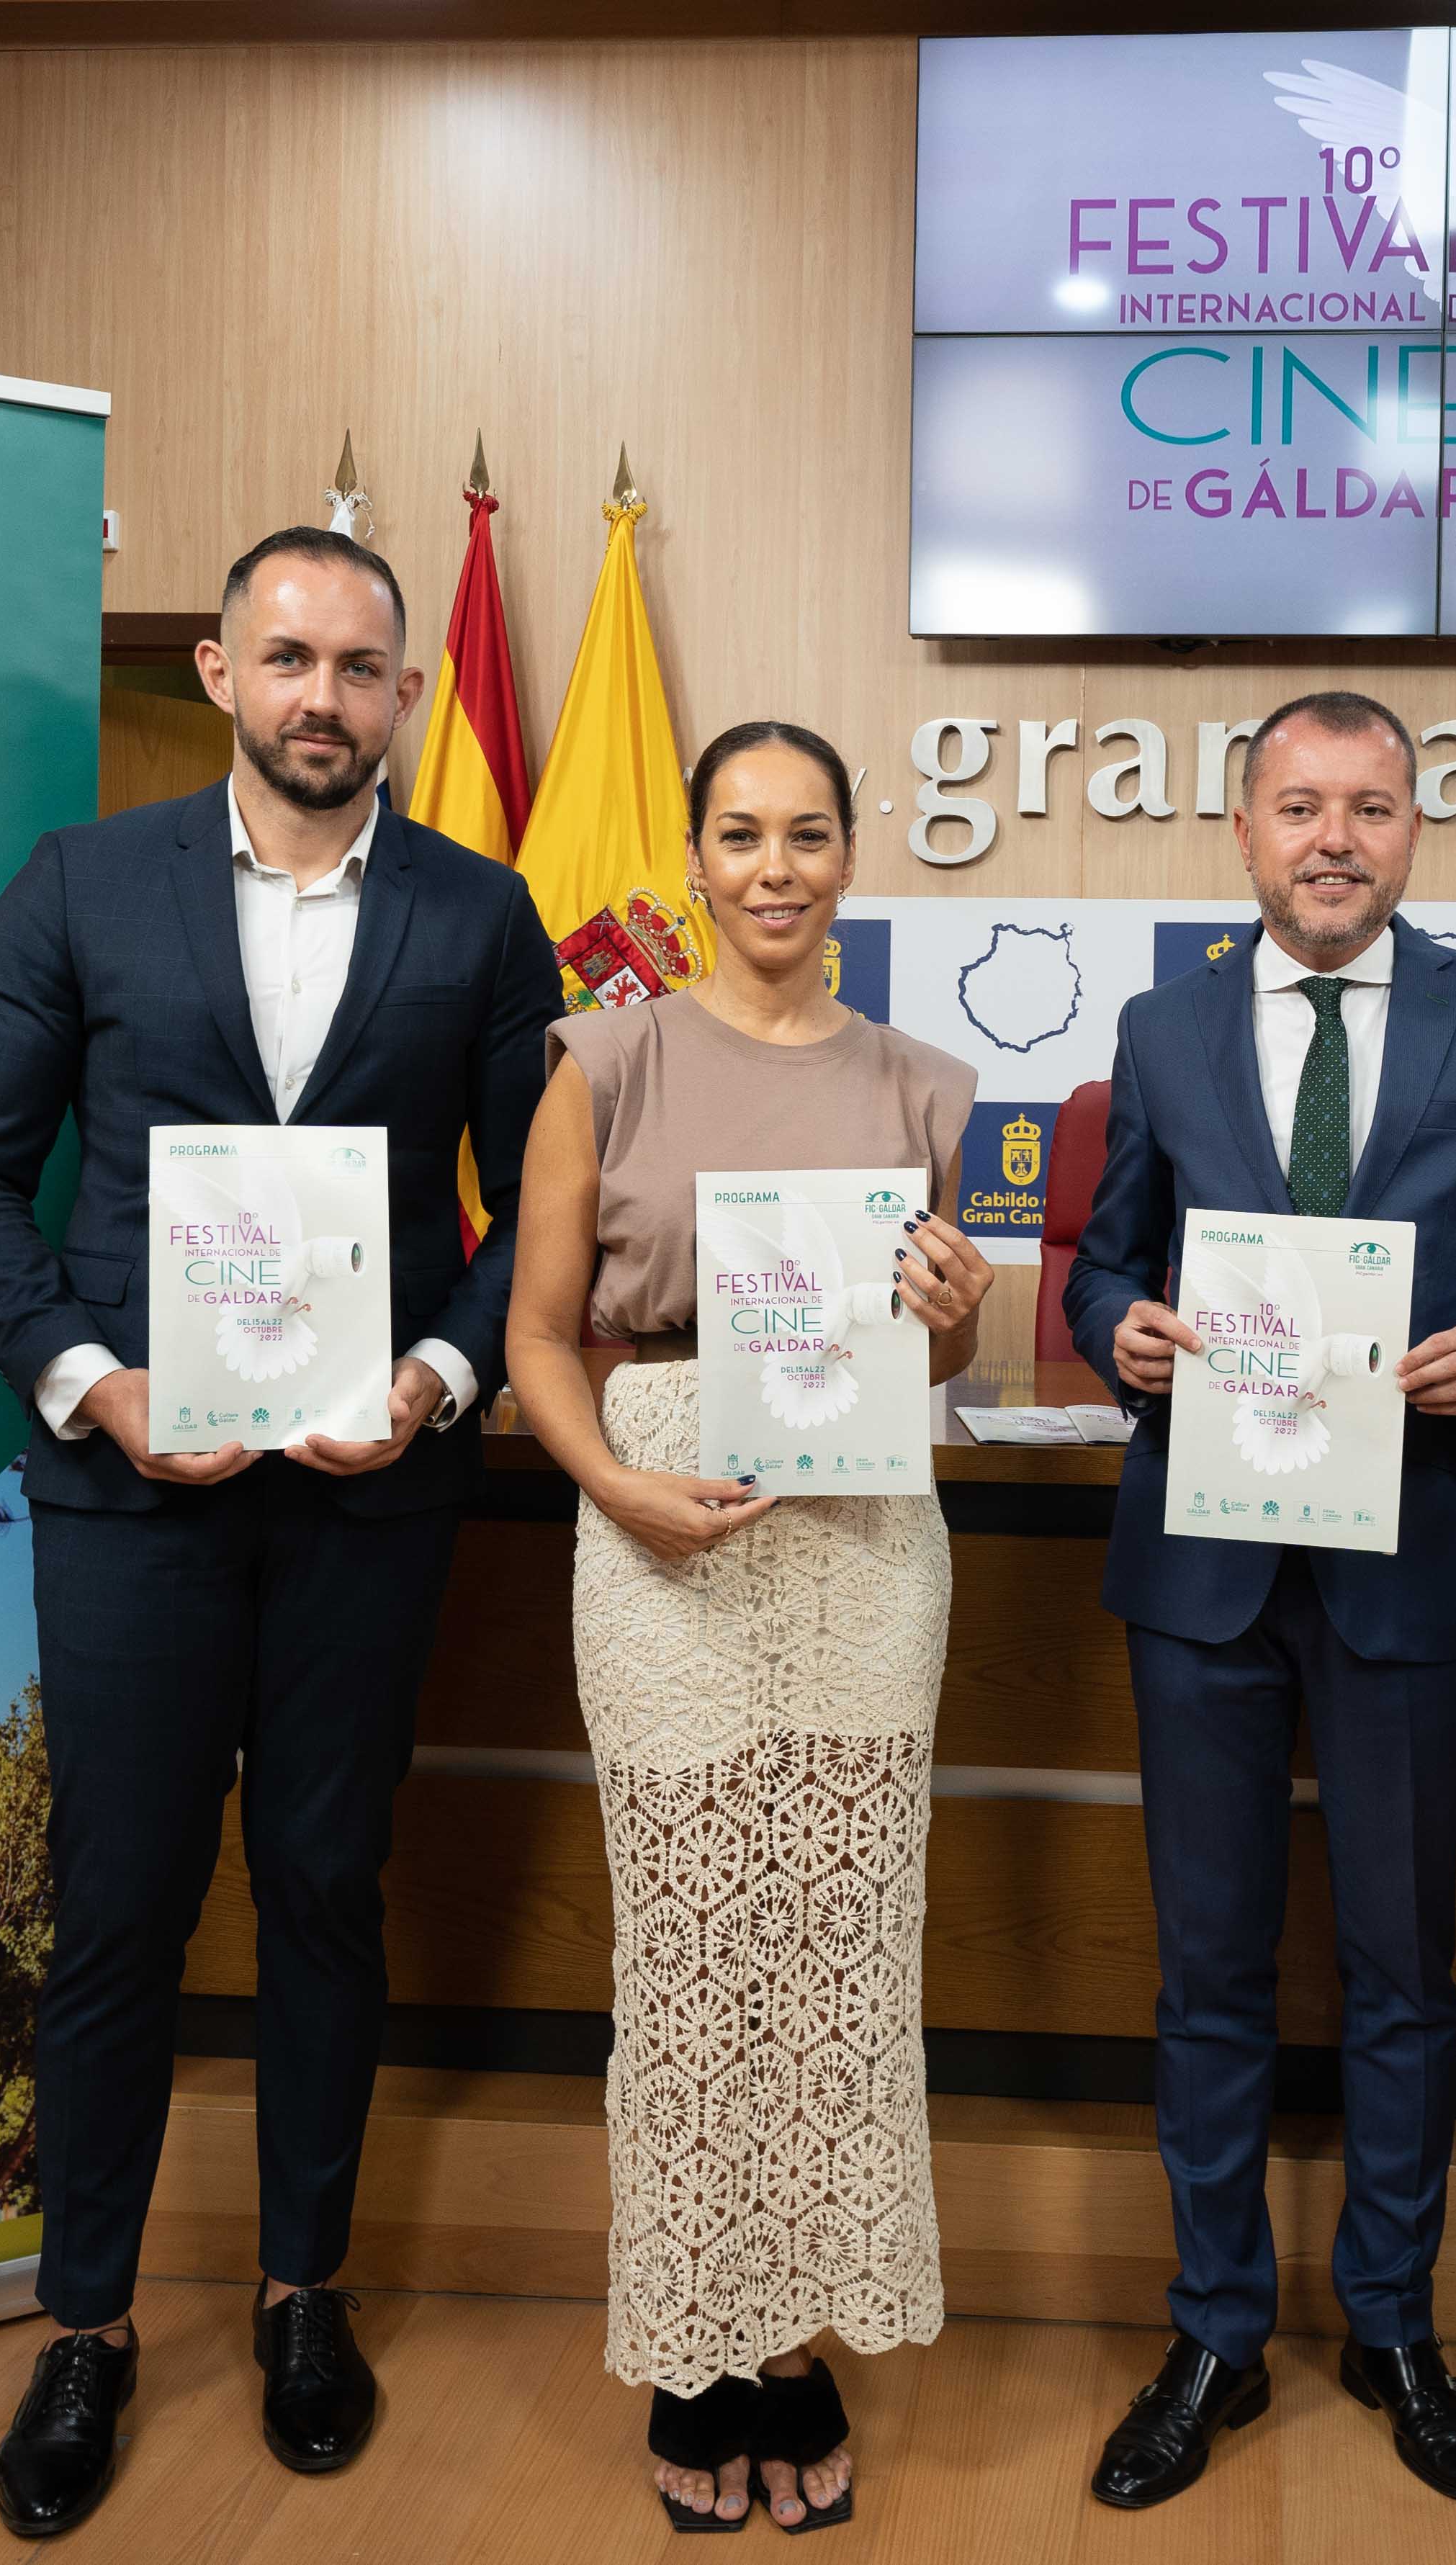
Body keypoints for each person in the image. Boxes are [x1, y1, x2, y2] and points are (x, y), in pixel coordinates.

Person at [0, 527, 562, 2540]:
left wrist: (436, 1379)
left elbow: (534, 1207)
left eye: (360, 668)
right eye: (287, 658)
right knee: (115, 1906)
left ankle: (301, 2292)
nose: (322, 697)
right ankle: (87, 2324)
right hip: (134, 1495)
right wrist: (90, 1379)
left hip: (373, 1497)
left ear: (407, 696)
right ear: (218, 671)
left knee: (325, 1890)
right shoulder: (82, 883)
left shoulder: (481, 910)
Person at [1062, 691, 1456, 2512]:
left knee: (1401, 1971)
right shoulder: (1160, 1026)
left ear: (1412, 832)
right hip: (1205, 1563)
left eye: (1369, 807)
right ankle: (1216, 2327)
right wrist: (1118, 1330)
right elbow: (1101, 1263)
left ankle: (1391, 2322)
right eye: (1300, 806)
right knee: (1209, 1970)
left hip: (1414, 1549)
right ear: (1244, 830)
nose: (1334, 839)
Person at [507, 719, 993, 2535]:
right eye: (739, 834)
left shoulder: (927, 1085)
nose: (773, 867)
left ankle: (794, 2341)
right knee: (692, 1943)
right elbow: (539, 1332)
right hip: (656, 1518)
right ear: (696, 859)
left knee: (839, 1945)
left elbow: (939, 1355)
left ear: (850, 856)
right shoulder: (603, 1058)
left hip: (863, 1540)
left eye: (805, 834)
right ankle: (693, 2341)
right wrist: (612, 1487)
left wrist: (959, 1310)